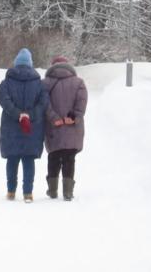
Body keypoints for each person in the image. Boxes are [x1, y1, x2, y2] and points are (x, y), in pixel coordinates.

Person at [0, 48, 48, 202]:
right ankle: (28, 193)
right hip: (31, 128)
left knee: (12, 159)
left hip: (10, 127)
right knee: (28, 160)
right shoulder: (40, 84)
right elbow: (43, 103)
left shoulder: (6, 82)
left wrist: (18, 114)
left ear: (16, 63)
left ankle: (11, 191)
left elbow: (4, 101)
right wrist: (29, 115)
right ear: (30, 64)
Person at [42, 55, 87, 201]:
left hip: (53, 127)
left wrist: (54, 118)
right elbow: (81, 103)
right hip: (72, 127)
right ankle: (68, 192)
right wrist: (73, 117)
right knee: (69, 158)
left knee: (53, 157)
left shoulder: (45, 84)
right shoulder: (78, 82)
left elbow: (44, 104)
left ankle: (52, 190)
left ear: (53, 66)